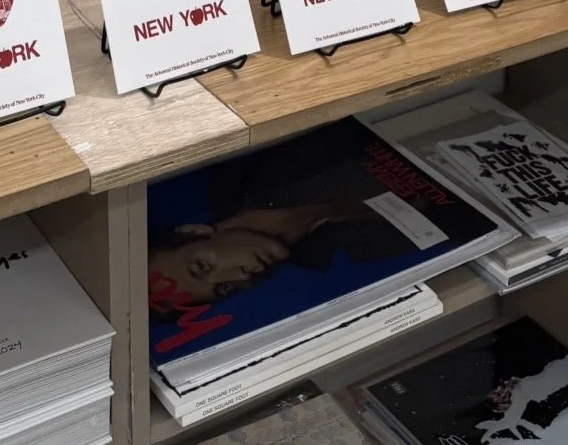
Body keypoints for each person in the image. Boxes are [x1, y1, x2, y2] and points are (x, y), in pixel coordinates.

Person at [148, 129, 423, 312]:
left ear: (195, 231)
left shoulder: (257, 161)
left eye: (202, 265)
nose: (241, 276)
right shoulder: (357, 255)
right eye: (224, 288)